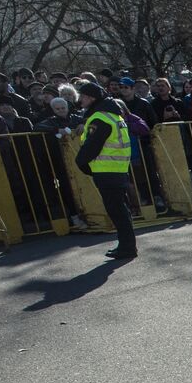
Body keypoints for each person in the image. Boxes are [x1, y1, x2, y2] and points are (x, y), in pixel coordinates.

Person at [73, 81, 137, 260]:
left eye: (83, 97)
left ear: (91, 98)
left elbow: (92, 146)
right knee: (121, 210)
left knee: (117, 211)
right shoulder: (113, 115)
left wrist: (81, 163)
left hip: (107, 170)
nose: (80, 100)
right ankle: (127, 245)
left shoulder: (100, 118)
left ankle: (127, 248)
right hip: (117, 168)